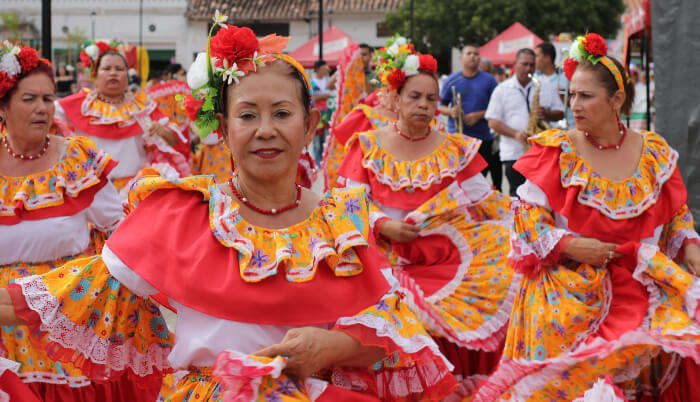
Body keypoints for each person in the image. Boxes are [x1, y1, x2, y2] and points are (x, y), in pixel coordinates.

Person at [0, 22, 458, 401]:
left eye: (281, 113)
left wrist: (330, 346)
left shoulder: (341, 222)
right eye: (247, 115)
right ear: (222, 127)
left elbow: (397, 338)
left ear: (309, 125)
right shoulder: (183, 215)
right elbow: (74, 294)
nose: (265, 131)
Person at [475, 33, 700, 401]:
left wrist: (690, 245)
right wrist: (572, 245)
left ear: (617, 100)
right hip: (571, 282)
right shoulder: (558, 150)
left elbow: (676, 213)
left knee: (677, 336)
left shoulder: (653, 151)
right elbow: (525, 219)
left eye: (585, 96)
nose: (573, 106)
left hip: (641, 275)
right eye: (570, 96)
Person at [337, 50, 516, 397]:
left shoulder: (453, 149)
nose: (423, 104)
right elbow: (347, 203)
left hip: (444, 263)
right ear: (395, 99)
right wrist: (381, 225)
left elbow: (487, 201)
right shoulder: (369, 146)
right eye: (415, 96)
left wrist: (529, 226)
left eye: (431, 98)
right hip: (384, 263)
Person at [0, 42, 165, 400]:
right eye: (29, 99)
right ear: (3, 106)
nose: (43, 108)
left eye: (48, 98)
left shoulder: (77, 160)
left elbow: (119, 235)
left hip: (65, 319)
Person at [56, 40, 191, 193]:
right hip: (89, 188)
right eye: (106, 68)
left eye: (119, 69)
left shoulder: (142, 108)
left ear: (127, 76)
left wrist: (161, 131)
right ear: (95, 75)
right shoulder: (77, 105)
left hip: (132, 190)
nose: (113, 73)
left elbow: (174, 142)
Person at [485, 48, 565, 196]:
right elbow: (492, 122)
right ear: (515, 64)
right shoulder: (502, 89)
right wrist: (515, 134)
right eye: (525, 64)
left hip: (541, 153)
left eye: (532, 65)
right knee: (517, 195)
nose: (529, 68)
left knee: (542, 195)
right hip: (513, 152)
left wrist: (547, 114)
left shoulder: (544, 87)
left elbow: (560, 113)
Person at [439, 45, 500, 191]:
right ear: (461, 58)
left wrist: (478, 115)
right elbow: (440, 105)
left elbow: (498, 107)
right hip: (457, 139)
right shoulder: (451, 80)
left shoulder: (489, 80)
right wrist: (451, 111)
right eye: (469, 53)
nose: (473, 56)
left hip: (482, 138)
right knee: (458, 181)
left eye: (476, 54)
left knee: (478, 182)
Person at [310, 59, 332, 164]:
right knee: (316, 139)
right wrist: (322, 97)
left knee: (325, 139)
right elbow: (309, 99)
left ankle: (324, 160)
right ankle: (317, 161)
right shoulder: (311, 82)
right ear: (317, 69)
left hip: (327, 115)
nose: (326, 70)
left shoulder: (329, 81)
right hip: (316, 115)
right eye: (324, 68)